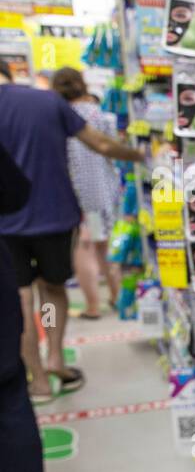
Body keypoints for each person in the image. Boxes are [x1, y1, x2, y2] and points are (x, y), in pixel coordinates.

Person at [0, 58, 144, 404]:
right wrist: (142, 156)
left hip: (6, 225)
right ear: (12, 72)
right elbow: (103, 145)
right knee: (52, 290)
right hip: (54, 217)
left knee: (22, 298)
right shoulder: (47, 101)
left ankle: (37, 381)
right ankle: (55, 359)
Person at [0, 136, 55, 472]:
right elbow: (14, 191)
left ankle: (47, 363)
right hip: (44, 231)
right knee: (8, 399)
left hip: (23, 246)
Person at [52, 68, 122, 319]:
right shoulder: (102, 116)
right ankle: (117, 296)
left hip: (78, 194)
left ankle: (93, 305)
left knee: (85, 250)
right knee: (107, 247)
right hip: (106, 190)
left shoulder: (61, 118)